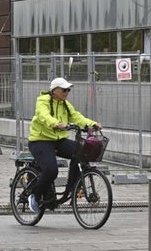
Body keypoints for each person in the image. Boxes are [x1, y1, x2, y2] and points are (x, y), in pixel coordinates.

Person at [27, 77, 102, 214]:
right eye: (64, 89)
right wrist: (56, 123)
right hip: (40, 140)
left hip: (59, 139)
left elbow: (77, 117)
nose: (67, 92)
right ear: (54, 90)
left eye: (68, 89)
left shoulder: (65, 104)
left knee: (81, 152)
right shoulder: (42, 101)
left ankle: (72, 188)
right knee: (51, 170)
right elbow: (43, 116)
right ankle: (35, 196)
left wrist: (92, 124)